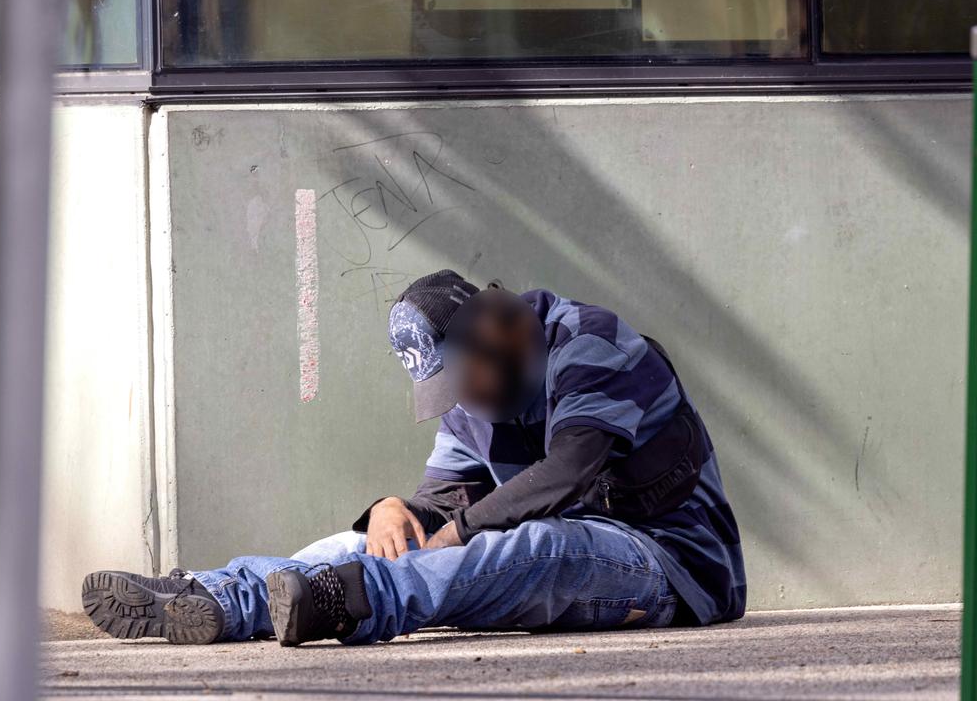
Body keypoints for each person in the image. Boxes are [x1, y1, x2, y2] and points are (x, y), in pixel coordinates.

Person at [82, 270, 745, 646]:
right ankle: (221, 596)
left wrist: (454, 530)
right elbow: (445, 501)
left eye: (465, 379)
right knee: (379, 540)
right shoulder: (472, 403)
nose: (464, 401)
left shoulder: (590, 344)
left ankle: (351, 602)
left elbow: (567, 471)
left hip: (673, 568)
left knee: (543, 543)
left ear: (495, 329)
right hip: (567, 551)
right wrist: (393, 509)